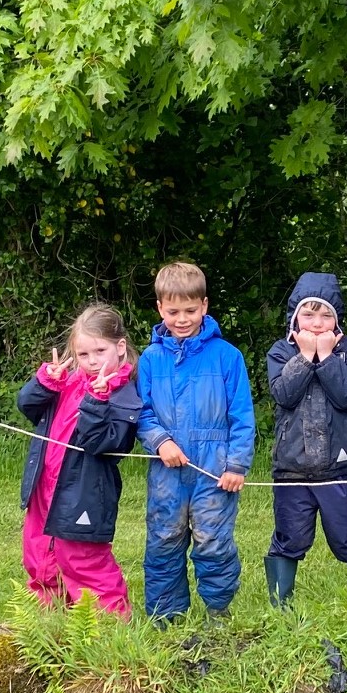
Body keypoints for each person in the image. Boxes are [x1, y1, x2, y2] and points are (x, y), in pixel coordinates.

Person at [137, 262, 256, 622]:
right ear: (160, 309)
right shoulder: (149, 359)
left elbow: (242, 416)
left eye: (190, 310)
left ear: (204, 306)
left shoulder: (227, 357)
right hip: (167, 470)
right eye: (173, 311)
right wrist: (160, 441)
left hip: (214, 468)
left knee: (213, 540)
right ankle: (166, 615)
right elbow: (141, 412)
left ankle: (218, 610)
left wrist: (237, 464)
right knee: (163, 539)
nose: (182, 318)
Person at [17, 302, 141, 615]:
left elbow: (103, 442)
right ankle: (51, 622)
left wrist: (98, 401)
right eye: (83, 354)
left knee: (83, 560)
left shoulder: (123, 394)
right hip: (44, 487)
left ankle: (109, 627)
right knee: (40, 554)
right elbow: (27, 407)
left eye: (100, 351)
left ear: (120, 347)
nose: (91, 361)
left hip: (85, 492)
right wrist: (46, 382)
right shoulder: (68, 382)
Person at [264, 272, 347, 603]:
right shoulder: (281, 352)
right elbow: (283, 394)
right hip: (291, 468)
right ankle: (280, 604)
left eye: (326, 314)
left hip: (341, 467)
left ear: (337, 318)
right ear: (295, 317)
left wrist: (326, 357)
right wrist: (304, 357)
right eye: (309, 314)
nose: (317, 323)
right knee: (290, 536)